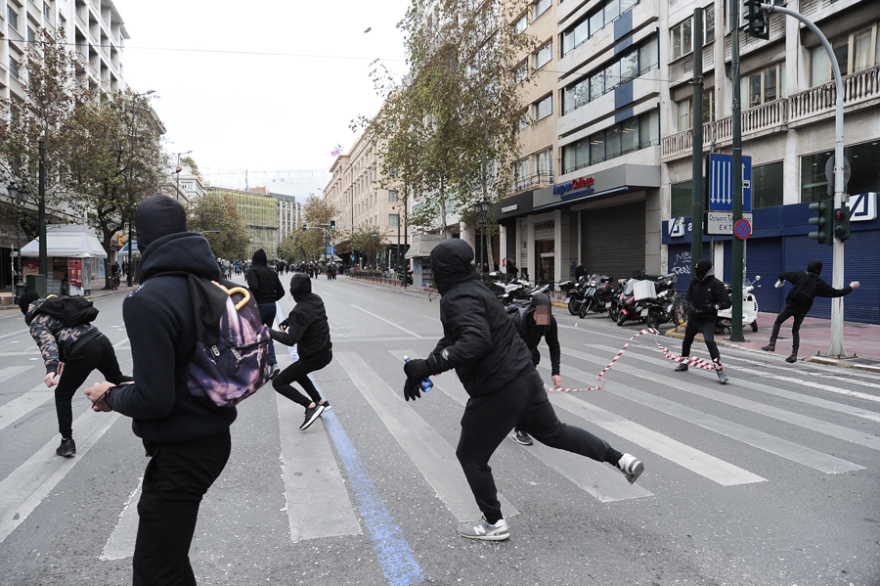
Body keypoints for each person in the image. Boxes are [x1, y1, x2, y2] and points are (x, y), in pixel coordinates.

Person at [402, 239, 644, 541]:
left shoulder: (456, 298)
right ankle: (620, 459)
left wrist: (428, 366)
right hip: (525, 377)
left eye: (434, 268)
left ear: (444, 271)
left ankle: (493, 523)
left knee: (470, 455)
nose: (433, 274)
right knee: (556, 433)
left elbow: (475, 341)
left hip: (498, 387)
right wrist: (427, 364)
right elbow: (459, 337)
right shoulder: (477, 291)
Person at [84, 194, 236, 586]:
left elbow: (155, 399)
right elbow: (184, 371)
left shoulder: (146, 299)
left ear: (141, 240)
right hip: (215, 436)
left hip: (182, 453)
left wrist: (110, 395)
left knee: (155, 571)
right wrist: (126, 386)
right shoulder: (211, 287)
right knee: (169, 559)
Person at [20, 291, 130, 458]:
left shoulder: (36, 320)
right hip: (100, 340)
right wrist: (63, 358)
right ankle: (152, 388)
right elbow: (67, 330)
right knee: (117, 379)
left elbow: (47, 342)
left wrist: (51, 368)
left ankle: (67, 442)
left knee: (62, 394)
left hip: (83, 351)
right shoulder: (56, 306)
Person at [761, 259, 860, 363]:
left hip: (790, 306)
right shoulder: (820, 284)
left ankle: (772, 344)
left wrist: (781, 280)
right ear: (820, 270)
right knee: (795, 330)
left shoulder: (800, 275)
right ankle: (794, 354)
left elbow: (783, 274)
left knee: (778, 321)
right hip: (802, 310)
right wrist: (851, 287)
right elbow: (836, 293)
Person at [270, 273, 333, 431]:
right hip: (325, 353)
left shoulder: (299, 310)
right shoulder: (316, 299)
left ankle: (310, 406)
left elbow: (291, 339)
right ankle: (320, 402)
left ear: (294, 292)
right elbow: (306, 314)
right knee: (298, 371)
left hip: (313, 356)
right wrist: (288, 321)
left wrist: (268, 332)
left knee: (279, 382)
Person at [508, 293, 562, 446]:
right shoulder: (516, 321)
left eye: (547, 313)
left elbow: (554, 346)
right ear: (532, 311)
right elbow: (503, 347)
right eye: (541, 314)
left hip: (529, 357)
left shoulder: (548, 320)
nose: (544, 318)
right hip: (509, 357)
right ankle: (519, 428)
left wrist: (555, 372)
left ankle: (520, 425)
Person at [674, 258, 731, 384]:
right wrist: (692, 307)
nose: (696, 269)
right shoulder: (694, 282)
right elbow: (689, 297)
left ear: (704, 269)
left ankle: (719, 371)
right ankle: (684, 363)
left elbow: (726, 302)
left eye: (697, 267)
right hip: (694, 317)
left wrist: (713, 307)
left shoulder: (716, 284)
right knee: (687, 340)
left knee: (709, 341)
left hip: (708, 319)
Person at [246, 248, 286, 379]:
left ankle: (259, 366)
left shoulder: (252, 271)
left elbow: (254, 287)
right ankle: (271, 364)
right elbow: (281, 292)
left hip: (259, 307)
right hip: (271, 307)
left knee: (254, 335)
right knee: (266, 333)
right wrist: (270, 298)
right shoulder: (272, 272)